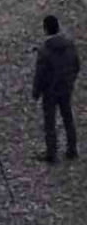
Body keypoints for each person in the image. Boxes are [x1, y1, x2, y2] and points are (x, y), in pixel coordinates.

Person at [33, 14, 80, 163]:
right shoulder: (69, 44)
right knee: (68, 117)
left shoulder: (45, 50)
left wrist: (36, 91)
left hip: (50, 90)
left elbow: (40, 74)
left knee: (50, 122)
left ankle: (51, 153)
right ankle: (72, 148)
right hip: (66, 87)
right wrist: (71, 80)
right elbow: (76, 64)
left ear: (45, 29)